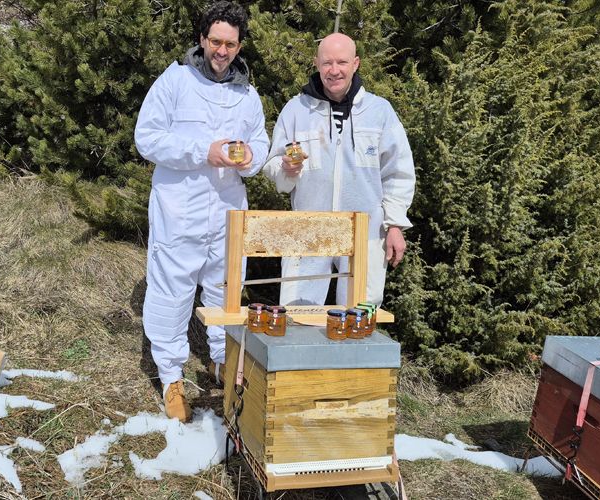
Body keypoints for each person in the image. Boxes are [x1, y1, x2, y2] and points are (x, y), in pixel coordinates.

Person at [134, 2, 269, 422]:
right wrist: (201, 152)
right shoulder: (174, 81)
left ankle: (219, 362)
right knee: (171, 295)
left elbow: (262, 142)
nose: (222, 50)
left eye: (230, 43)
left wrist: (250, 158)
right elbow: (147, 138)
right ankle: (171, 378)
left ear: (239, 45)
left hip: (228, 212)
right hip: (181, 213)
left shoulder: (247, 92)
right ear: (202, 39)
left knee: (225, 291)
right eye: (215, 41)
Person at [262, 33, 415, 308]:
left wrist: (394, 224)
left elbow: (397, 173)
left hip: (364, 235)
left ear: (355, 63)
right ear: (316, 64)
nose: (335, 70)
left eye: (342, 62)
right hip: (307, 233)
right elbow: (273, 164)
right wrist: (286, 169)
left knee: (359, 321)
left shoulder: (380, 112)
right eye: (327, 63)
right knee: (299, 318)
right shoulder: (296, 110)